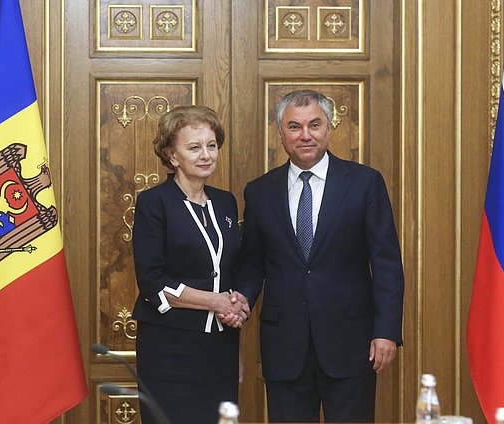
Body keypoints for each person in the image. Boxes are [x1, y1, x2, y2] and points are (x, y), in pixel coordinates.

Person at [232, 90, 404, 423]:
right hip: (285, 345)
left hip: (351, 343)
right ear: (280, 134)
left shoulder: (365, 183)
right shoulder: (260, 190)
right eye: (294, 127)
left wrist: (386, 331)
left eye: (314, 124)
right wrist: (241, 300)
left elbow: (386, 264)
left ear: (329, 128)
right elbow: (253, 261)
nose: (305, 135)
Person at [132, 105, 249, 424]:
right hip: (170, 349)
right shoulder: (154, 203)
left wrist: (236, 303)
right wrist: (216, 300)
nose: (206, 154)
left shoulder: (226, 201)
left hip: (221, 348)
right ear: (172, 155)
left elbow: (233, 269)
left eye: (211, 145)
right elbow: (152, 281)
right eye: (194, 147)